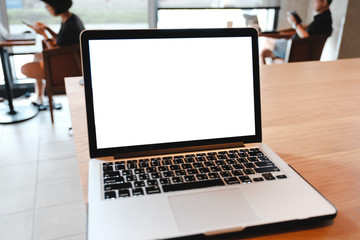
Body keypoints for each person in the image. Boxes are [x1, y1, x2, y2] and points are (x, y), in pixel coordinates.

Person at [21, 0, 85, 107]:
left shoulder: (69, 27)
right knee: (37, 56)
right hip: (72, 60)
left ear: (55, 7)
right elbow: (61, 39)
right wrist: (47, 29)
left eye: (47, 6)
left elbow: (53, 53)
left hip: (68, 68)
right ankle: (39, 96)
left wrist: (43, 35)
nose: (47, 9)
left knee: (30, 65)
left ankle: (39, 97)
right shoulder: (71, 18)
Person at [261, 0, 332, 64]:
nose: (312, 2)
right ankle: (273, 58)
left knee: (264, 41)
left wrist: (295, 24)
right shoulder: (324, 18)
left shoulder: (322, 20)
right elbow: (309, 34)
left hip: (295, 50)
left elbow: (305, 37)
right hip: (297, 47)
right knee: (264, 44)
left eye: (315, 0)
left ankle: (272, 61)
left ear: (324, 2)